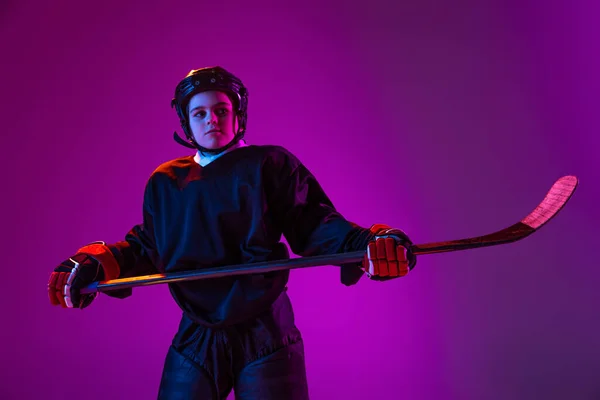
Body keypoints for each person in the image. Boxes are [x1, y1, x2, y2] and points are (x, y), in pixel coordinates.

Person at [47, 66, 417, 400]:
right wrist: (97, 264)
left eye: (221, 110)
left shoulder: (269, 164)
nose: (212, 120)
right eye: (200, 113)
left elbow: (316, 223)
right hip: (197, 331)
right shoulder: (165, 182)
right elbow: (147, 247)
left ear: (238, 115)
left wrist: (370, 244)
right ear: (186, 122)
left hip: (266, 329)